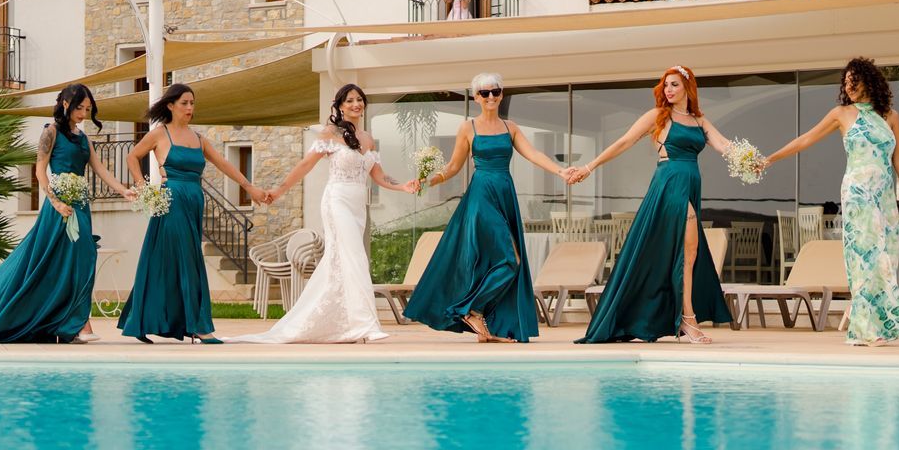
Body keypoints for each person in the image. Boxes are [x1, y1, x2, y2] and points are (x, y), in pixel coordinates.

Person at [0, 84, 135, 344]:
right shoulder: (50, 133)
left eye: (88, 109)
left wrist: (124, 191)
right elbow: (40, 172)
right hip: (58, 209)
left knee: (82, 261)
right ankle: (71, 325)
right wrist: (55, 202)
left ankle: (76, 324)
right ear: (65, 104)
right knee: (51, 265)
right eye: (79, 108)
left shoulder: (84, 138)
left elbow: (101, 170)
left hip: (80, 206)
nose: (83, 114)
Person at [234, 84, 419, 344]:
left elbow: (378, 176)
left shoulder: (367, 138)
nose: (356, 104)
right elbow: (304, 165)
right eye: (350, 100)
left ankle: (341, 322)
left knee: (344, 262)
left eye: (359, 100)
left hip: (357, 208)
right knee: (355, 257)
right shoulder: (329, 134)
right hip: (337, 202)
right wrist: (278, 190)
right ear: (340, 105)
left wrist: (402, 186)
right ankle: (365, 324)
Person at [565, 65, 736, 344]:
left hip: (690, 183)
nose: (668, 90)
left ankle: (680, 315)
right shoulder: (659, 116)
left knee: (688, 253)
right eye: (665, 85)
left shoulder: (699, 120)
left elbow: (723, 144)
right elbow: (624, 141)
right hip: (669, 184)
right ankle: (687, 319)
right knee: (689, 247)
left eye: (674, 85)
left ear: (687, 89)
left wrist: (748, 159)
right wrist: (589, 166)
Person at [764, 57, 899, 345]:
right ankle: (864, 329)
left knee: (885, 257)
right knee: (865, 256)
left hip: (884, 196)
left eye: (853, 81)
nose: (849, 87)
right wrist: (771, 159)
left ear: (869, 82)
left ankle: (880, 324)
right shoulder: (841, 114)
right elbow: (806, 139)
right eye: (845, 82)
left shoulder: (891, 116)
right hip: (858, 194)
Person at [407, 72, 565, 342]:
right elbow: (453, 167)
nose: (490, 96)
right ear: (475, 97)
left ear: (501, 95)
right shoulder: (468, 128)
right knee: (510, 259)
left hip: (505, 193)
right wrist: (427, 182)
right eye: (484, 93)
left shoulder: (510, 127)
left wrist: (561, 172)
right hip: (481, 197)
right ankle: (470, 309)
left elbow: (535, 154)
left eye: (495, 91)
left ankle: (485, 326)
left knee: (499, 261)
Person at [119, 82, 273, 344]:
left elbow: (224, 164)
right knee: (188, 261)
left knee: (164, 261)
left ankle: (145, 320)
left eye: (192, 103)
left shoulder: (199, 139)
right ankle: (199, 326)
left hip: (193, 202)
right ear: (170, 105)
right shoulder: (159, 134)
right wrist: (143, 188)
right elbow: (132, 156)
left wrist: (250, 188)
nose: (190, 108)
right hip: (171, 201)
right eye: (184, 103)